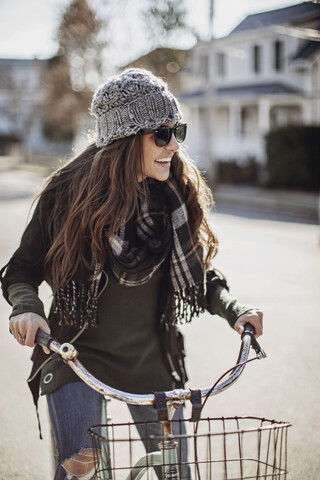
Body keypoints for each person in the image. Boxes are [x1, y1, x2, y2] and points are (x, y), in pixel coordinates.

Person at [1, 68, 263, 480]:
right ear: (125, 138)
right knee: (81, 470)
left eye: (178, 131)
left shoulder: (174, 192)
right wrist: (28, 307)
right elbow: (22, 269)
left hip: (151, 360)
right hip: (75, 357)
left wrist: (235, 310)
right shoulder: (66, 194)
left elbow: (197, 272)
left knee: (178, 473)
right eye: (162, 134)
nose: (174, 145)